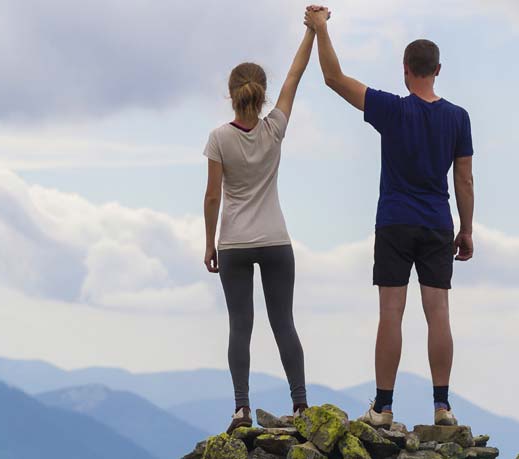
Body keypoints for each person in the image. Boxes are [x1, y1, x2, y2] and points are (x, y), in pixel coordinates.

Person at [304, 5, 477, 427]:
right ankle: (442, 406)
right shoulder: (458, 118)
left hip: (395, 220)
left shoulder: (392, 109)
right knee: (438, 312)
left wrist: (321, 28)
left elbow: (333, 79)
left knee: (391, 313)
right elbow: (465, 181)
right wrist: (467, 229)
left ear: (405, 69)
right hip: (438, 221)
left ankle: (382, 407)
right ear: (438, 69)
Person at [201, 17, 317, 433]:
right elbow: (296, 74)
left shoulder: (219, 138)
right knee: (283, 322)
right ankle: (302, 405)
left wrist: (210, 242)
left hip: (233, 242)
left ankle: (241, 410)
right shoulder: (275, 129)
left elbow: (213, 196)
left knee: (240, 327)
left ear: (231, 95)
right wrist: (312, 31)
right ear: (262, 93)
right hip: (274, 239)